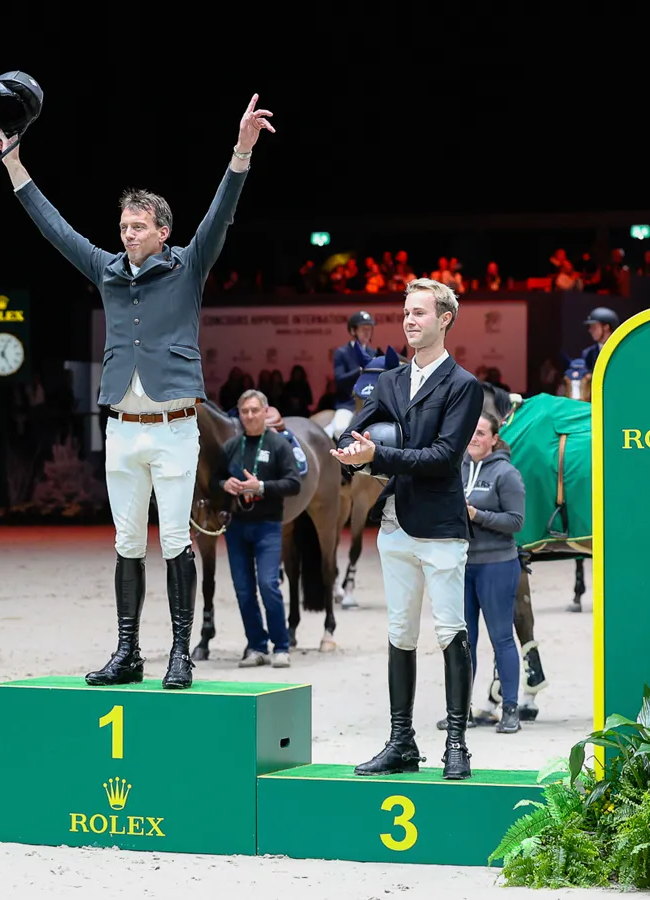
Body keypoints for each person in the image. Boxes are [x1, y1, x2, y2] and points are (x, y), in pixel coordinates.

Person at [0, 93, 276, 690]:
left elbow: (221, 213)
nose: (127, 233)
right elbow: (55, 229)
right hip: (121, 428)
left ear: (162, 232)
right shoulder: (106, 270)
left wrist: (241, 151)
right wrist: (15, 164)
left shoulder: (188, 265)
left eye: (138, 226)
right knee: (125, 543)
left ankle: (180, 653)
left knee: (173, 541)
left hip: (174, 430)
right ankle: (127, 652)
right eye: (123, 226)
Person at [330, 277, 484, 780]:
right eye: (405, 313)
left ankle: (456, 744)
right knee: (399, 634)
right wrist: (351, 454)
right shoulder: (390, 380)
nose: (409, 321)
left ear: (445, 319)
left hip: (441, 527)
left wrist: (378, 455)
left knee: (450, 633)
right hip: (395, 523)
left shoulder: (463, 385)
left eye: (419, 312)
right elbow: (358, 429)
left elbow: (443, 457)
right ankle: (401, 743)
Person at [436, 411, 526, 734]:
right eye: (471, 432)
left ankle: (510, 709)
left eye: (482, 433)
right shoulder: (456, 469)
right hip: (461, 564)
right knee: (464, 641)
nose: (474, 438)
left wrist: (477, 515)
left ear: (494, 439)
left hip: (497, 564)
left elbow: (516, 521)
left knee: (501, 637)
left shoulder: (506, 473)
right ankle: (462, 710)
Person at [218, 389, 302, 668]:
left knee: (268, 585)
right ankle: (256, 646)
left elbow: (293, 483)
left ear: (265, 412)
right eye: (244, 411)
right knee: (243, 590)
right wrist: (224, 484)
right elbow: (213, 480)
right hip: (236, 527)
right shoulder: (231, 446)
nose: (250, 416)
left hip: (268, 526)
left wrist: (262, 486)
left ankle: (281, 646)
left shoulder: (278, 445)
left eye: (255, 410)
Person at [326, 311, 376, 440]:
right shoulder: (342, 352)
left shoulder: (374, 353)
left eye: (369, 329)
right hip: (348, 404)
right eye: (363, 329)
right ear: (353, 330)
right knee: (340, 428)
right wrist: (360, 371)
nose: (367, 332)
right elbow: (339, 380)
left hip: (369, 405)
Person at [581, 307, 619, 372]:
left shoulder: (620, 349)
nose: (590, 330)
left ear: (606, 327)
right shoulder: (588, 354)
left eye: (594, 327)